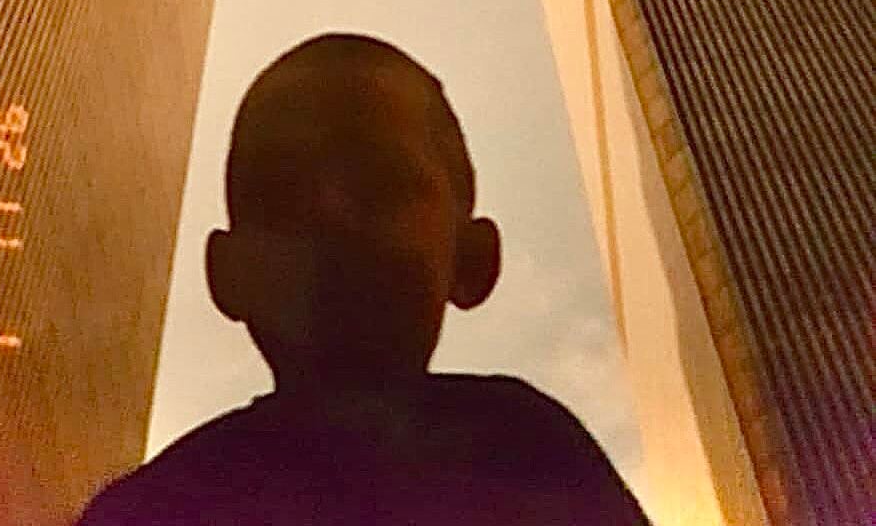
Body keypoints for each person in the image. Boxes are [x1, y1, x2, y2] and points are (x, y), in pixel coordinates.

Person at [75, 32, 651, 525]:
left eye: (380, 184)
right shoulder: (156, 507)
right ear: (227, 274)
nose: (330, 215)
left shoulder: (528, 447)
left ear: (474, 259)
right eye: (280, 196)